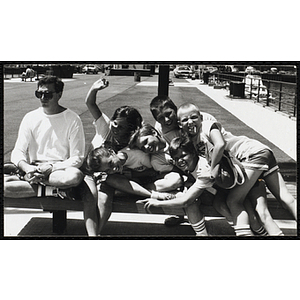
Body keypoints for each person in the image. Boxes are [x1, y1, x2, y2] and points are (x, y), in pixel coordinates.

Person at [177, 102, 296, 236]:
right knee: (286, 199)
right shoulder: (194, 139)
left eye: (194, 117)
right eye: (185, 120)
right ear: (180, 124)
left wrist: (213, 168)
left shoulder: (206, 126)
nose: (190, 122)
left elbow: (220, 145)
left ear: (201, 117)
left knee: (233, 201)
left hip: (251, 155)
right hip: (262, 152)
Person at [3, 75, 98, 236]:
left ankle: (44, 186)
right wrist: (27, 168)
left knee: (74, 176)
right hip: (35, 169)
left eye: (47, 94)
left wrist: (51, 168)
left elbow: (77, 157)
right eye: (39, 94)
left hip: (61, 169)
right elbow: (18, 151)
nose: (42, 98)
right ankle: (56, 191)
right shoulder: (30, 117)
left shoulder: (72, 118)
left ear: (59, 94)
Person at [138, 133, 284, 236]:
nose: (180, 160)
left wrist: (157, 202)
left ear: (193, 153)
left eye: (183, 156)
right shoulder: (191, 166)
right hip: (229, 191)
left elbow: (186, 199)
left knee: (256, 219)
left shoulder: (204, 170)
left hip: (251, 186)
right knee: (219, 204)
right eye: (176, 158)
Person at [84, 78, 144, 234]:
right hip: (89, 175)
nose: (116, 129)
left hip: (110, 180)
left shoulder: (134, 143)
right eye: (115, 123)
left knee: (103, 200)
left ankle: (95, 235)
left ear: (132, 129)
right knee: (91, 197)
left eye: (122, 127)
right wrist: (94, 89)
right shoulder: (105, 127)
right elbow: (90, 104)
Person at [149, 95, 217, 226]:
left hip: (202, 160)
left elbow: (213, 144)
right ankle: (178, 213)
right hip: (182, 161)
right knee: (176, 177)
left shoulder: (199, 117)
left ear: (175, 109)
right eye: (161, 118)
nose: (167, 120)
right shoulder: (160, 128)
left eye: (169, 114)